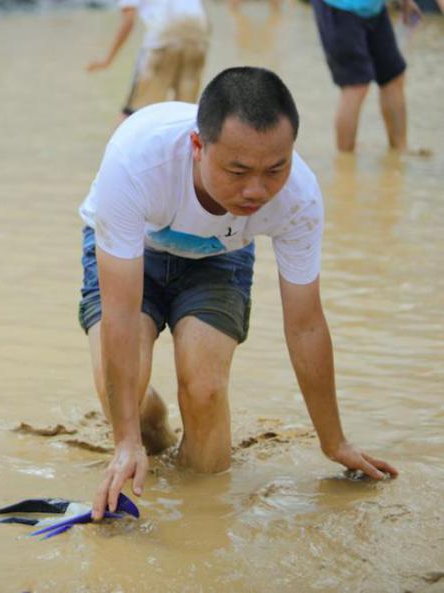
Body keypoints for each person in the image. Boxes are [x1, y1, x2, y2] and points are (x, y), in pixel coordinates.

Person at [77, 67, 399, 521]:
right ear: (197, 147)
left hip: (217, 259)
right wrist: (125, 440)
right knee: (122, 394)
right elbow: (123, 314)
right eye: (238, 171)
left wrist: (334, 441)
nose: (257, 191)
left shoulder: (299, 198)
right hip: (133, 254)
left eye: (275, 169)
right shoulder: (136, 159)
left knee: (205, 390)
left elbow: (306, 325)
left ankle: (197, 534)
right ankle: (149, 438)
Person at [312, 0, 423, 152]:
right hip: (339, 7)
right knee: (356, 85)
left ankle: (400, 151)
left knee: (393, 76)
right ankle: (345, 163)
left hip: (373, 8)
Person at [87, 0, 209, 121]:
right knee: (186, 114)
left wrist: (108, 59)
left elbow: (128, 21)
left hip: (164, 39)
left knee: (136, 114)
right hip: (199, 40)